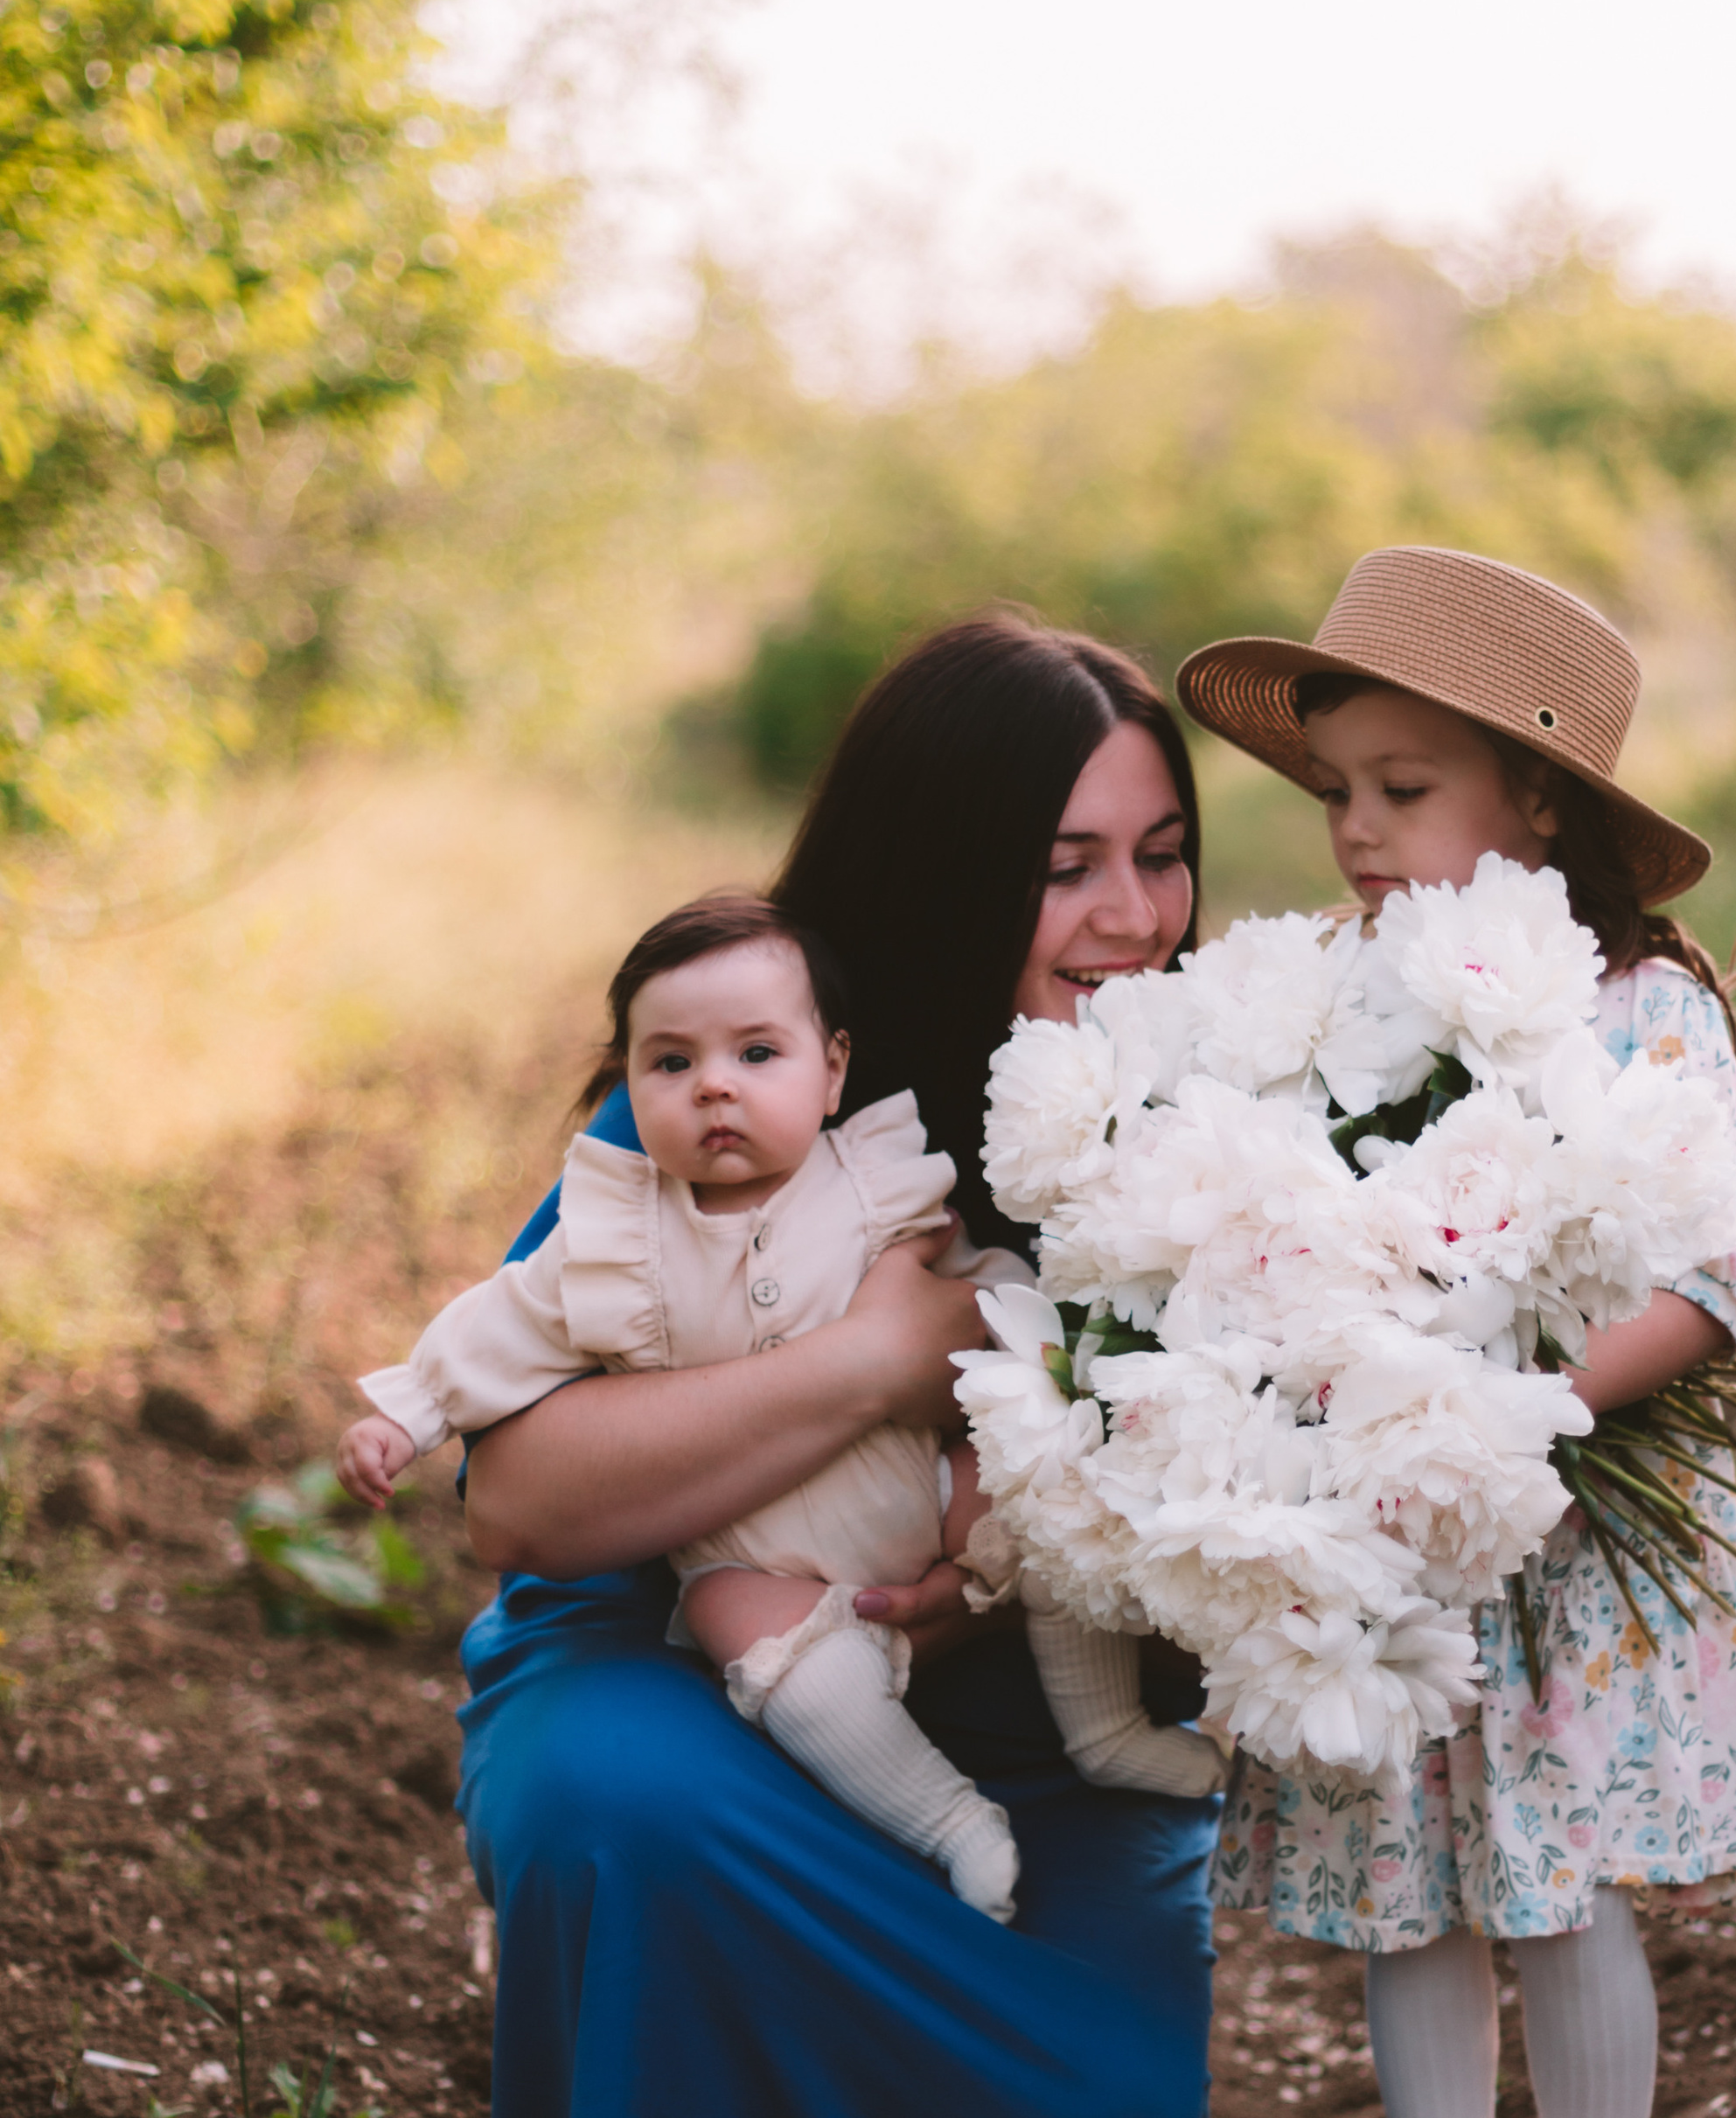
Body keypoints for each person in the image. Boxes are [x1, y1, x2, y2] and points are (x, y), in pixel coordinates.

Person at [446, 614, 1224, 2115]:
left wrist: (1000, 1582)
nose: (1134, 915)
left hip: (1044, 1745)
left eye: (1163, 852)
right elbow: (515, 1501)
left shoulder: (1216, 1117)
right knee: (623, 1810)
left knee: (1097, 2089)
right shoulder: (742, 1077)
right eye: (1063, 869)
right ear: (942, 869)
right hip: (686, 1676)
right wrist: (878, 1363)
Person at [1178, 546, 1736, 2118]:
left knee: (1561, 1880)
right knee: (1406, 1882)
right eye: (1335, 789)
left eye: (1402, 787)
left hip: (1570, 1530)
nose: (1353, 830)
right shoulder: (1334, 1004)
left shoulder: (1640, 1009)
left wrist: (1520, 1414)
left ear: (1539, 798)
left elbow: (1720, 1272)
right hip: (1390, 1542)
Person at [338, 894, 1223, 1924]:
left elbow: (993, 1282)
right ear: (625, 1080)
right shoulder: (613, 1246)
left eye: (757, 1054)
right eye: (670, 1064)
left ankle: (1103, 1727)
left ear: (832, 1067)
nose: (713, 1084)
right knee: (764, 1654)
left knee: (1051, 1491)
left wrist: (1029, 1356)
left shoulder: (874, 1184)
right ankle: (948, 1821)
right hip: (751, 1556)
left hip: (927, 1491)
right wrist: (404, 1416)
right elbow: (490, 1333)